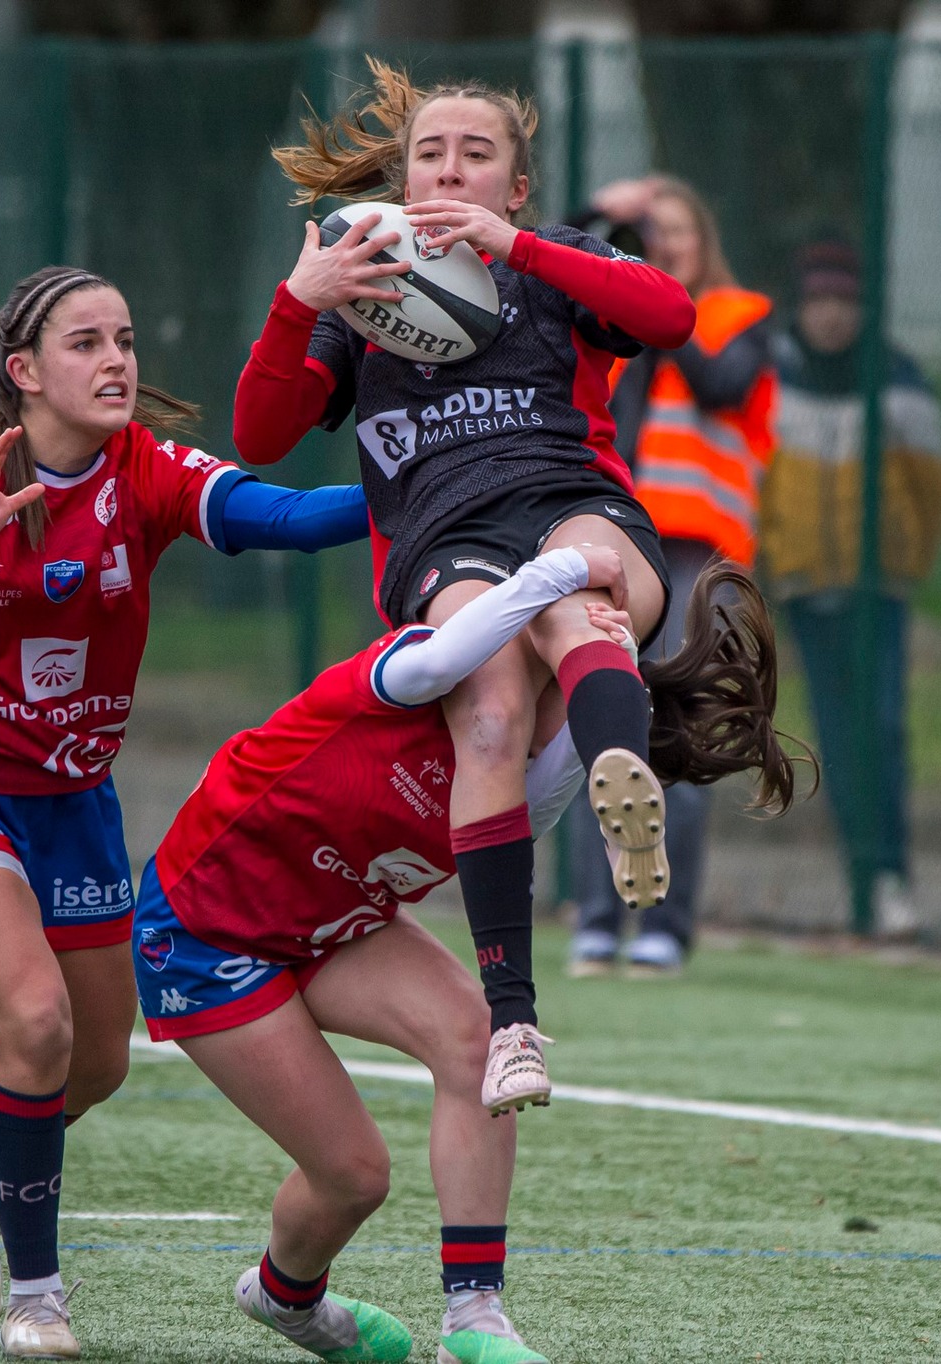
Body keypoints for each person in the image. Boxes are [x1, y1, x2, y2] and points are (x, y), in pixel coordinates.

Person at [0, 266, 376, 1358]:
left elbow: (281, 515)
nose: (117, 360)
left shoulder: (147, 470)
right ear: (23, 372)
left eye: (124, 338)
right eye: (85, 343)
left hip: (72, 802)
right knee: (32, 1022)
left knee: (94, 1063)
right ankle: (36, 1296)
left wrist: (429, 488)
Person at [132, 549, 795, 1364]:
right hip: (207, 929)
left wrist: (613, 680)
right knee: (354, 1176)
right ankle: (285, 1296)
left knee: (480, 1042)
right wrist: (567, 569)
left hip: (331, 926)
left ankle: (473, 1320)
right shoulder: (428, 661)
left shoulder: (549, 774)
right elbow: (465, 648)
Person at [230, 60, 698, 1112]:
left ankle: (623, 766)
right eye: (428, 153)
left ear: (514, 186)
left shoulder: (549, 260)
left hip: (567, 491)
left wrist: (521, 252)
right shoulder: (362, 285)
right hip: (444, 530)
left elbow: (671, 317)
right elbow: (258, 434)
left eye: (474, 154)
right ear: (400, 178)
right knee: (485, 706)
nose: (448, 168)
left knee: (590, 586)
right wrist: (293, 301)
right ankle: (513, 1021)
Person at [562, 174, 778, 977]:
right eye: (652, 236)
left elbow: (724, 385)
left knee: (681, 734)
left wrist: (661, 304)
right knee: (606, 720)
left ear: (703, 240)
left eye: (678, 232)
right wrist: (600, 219)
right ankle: (594, 917)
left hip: (700, 550)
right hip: (618, 536)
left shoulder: (741, 316)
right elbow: (548, 266)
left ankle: (663, 925)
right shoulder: (615, 326)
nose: (667, 245)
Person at [757, 237, 941, 935]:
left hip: (880, 589)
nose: (831, 316)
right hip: (809, 586)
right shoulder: (774, 375)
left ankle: (893, 872)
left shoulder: (896, 377)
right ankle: (861, 880)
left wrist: (905, 556)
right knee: (837, 739)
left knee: (884, 729)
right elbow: (761, 479)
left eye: (844, 301)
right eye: (819, 302)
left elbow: (931, 485)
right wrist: (777, 557)